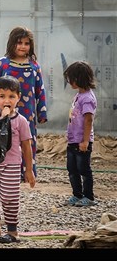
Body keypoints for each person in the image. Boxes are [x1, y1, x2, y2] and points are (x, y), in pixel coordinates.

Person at [0, 75, 35, 243]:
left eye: (11, 96)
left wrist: (29, 170)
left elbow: (26, 146)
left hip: (11, 165)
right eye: (2, 96)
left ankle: (12, 232)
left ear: (18, 98)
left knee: (10, 198)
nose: (6, 100)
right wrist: (1, 119)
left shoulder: (21, 121)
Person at [0, 26, 47, 180]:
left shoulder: (34, 65)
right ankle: (4, 170)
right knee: (5, 138)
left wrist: (42, 112)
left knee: (27, 140)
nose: (22, 46)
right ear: (12, 43)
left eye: (26, 43)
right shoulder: (2, 63)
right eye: (19, 42)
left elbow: (40, 89)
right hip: (4, 111)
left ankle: (27, 172)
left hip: (28, 113)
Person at [63, 61, 97, 207]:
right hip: (73, 140)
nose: (69, 81)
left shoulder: (88, 98)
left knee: (83, 169)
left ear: (78, 78)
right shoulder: (79, 95)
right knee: (72, 169)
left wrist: (85, 141)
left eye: (71, 78)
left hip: (81, 142)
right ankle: (77, 194)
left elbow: (88, 120)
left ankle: (88, 197)